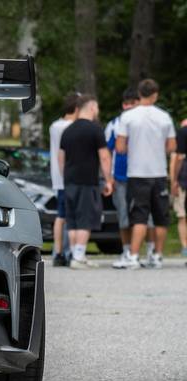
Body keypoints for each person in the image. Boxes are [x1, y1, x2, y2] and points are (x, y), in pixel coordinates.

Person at [113, 79, 177, 270]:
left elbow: (120, 147)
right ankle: (157, 256)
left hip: (137, 173)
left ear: (139, 94)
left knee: (139, 216)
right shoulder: (164, 116)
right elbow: (172, 146)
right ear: (155, 95)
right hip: (158, 172)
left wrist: (134, 148)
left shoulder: (128, 116)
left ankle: (133, 256)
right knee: (160, 217)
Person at [58, 94, 114, 269]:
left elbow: (61, 158)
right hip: (87, 181)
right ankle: (78, 256)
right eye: (96, 107)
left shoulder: (67, 130)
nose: (97, 111)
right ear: (91, 107)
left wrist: (65, 176)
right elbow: (104, 157)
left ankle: (76, 255)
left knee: (73, 220)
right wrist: (108, 180)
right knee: (86, 219)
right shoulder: (95, 130)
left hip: (69, 181)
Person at [105, 89, 139, 264]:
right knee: (123, 216)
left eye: (133, 103)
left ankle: (147, 251)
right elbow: (106, 152)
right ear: (123, 105)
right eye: (126, 103)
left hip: (141, 176)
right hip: (120, 177)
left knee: (144, 217)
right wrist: (108, 178)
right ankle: (126, 250)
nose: (129, 107)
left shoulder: (143, 122)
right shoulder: (114, 124)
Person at [49, 92, 80, 266]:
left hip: (57, 177)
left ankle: (58, 251)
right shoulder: (71, 127)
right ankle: (68, 252)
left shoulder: (54, 126)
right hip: (69, 176)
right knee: (69, 216)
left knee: (60, 216)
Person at [169, 118, 187, 257]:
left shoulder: (181, 135)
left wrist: (174, 181)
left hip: (183, 181)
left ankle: (185, 247)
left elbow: (177, 159)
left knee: (182, 215)